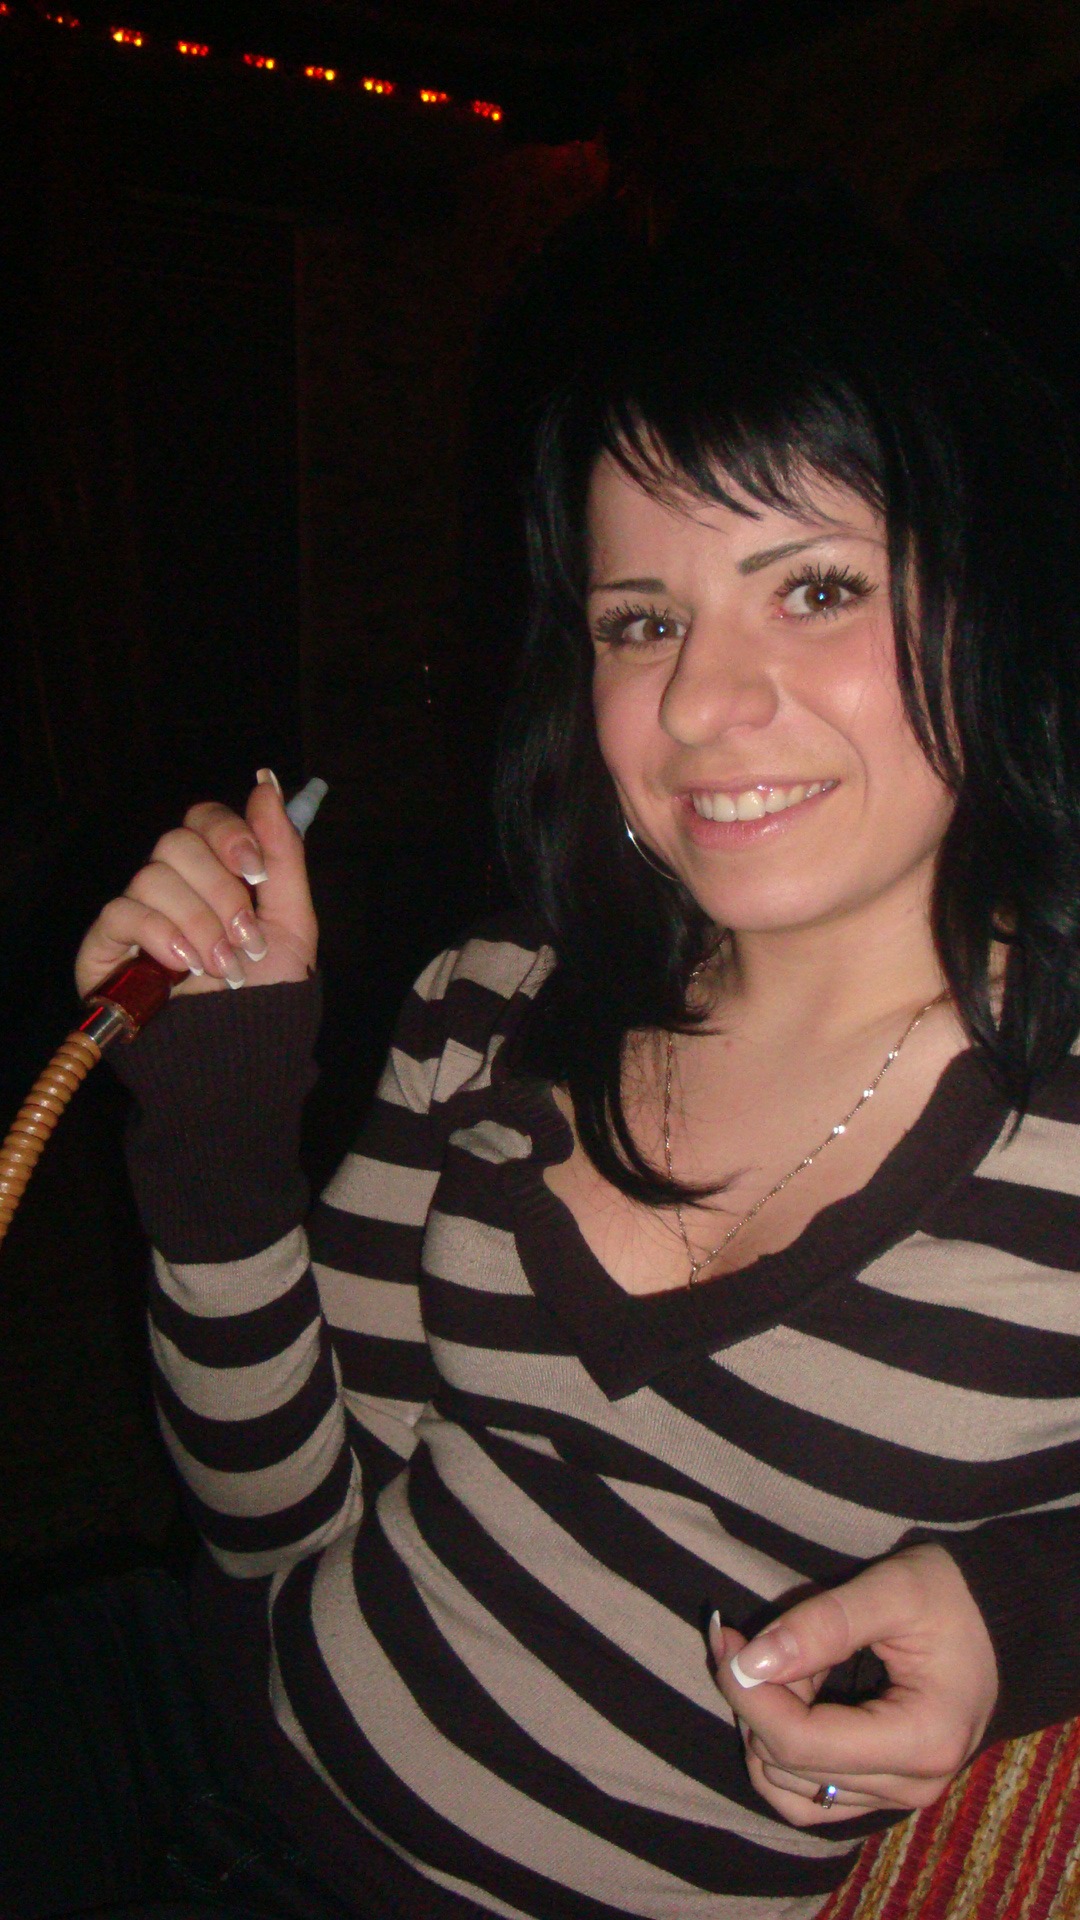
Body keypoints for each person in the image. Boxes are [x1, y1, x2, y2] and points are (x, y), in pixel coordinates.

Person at [60, 187, 1080, 1918]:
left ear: (995, 608)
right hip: (211, 1740)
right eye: (640, 620)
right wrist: (218, 1124)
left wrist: (1030, 1617)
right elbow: (276, 1511)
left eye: (815, 587)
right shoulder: (497, 997)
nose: (697, 704)